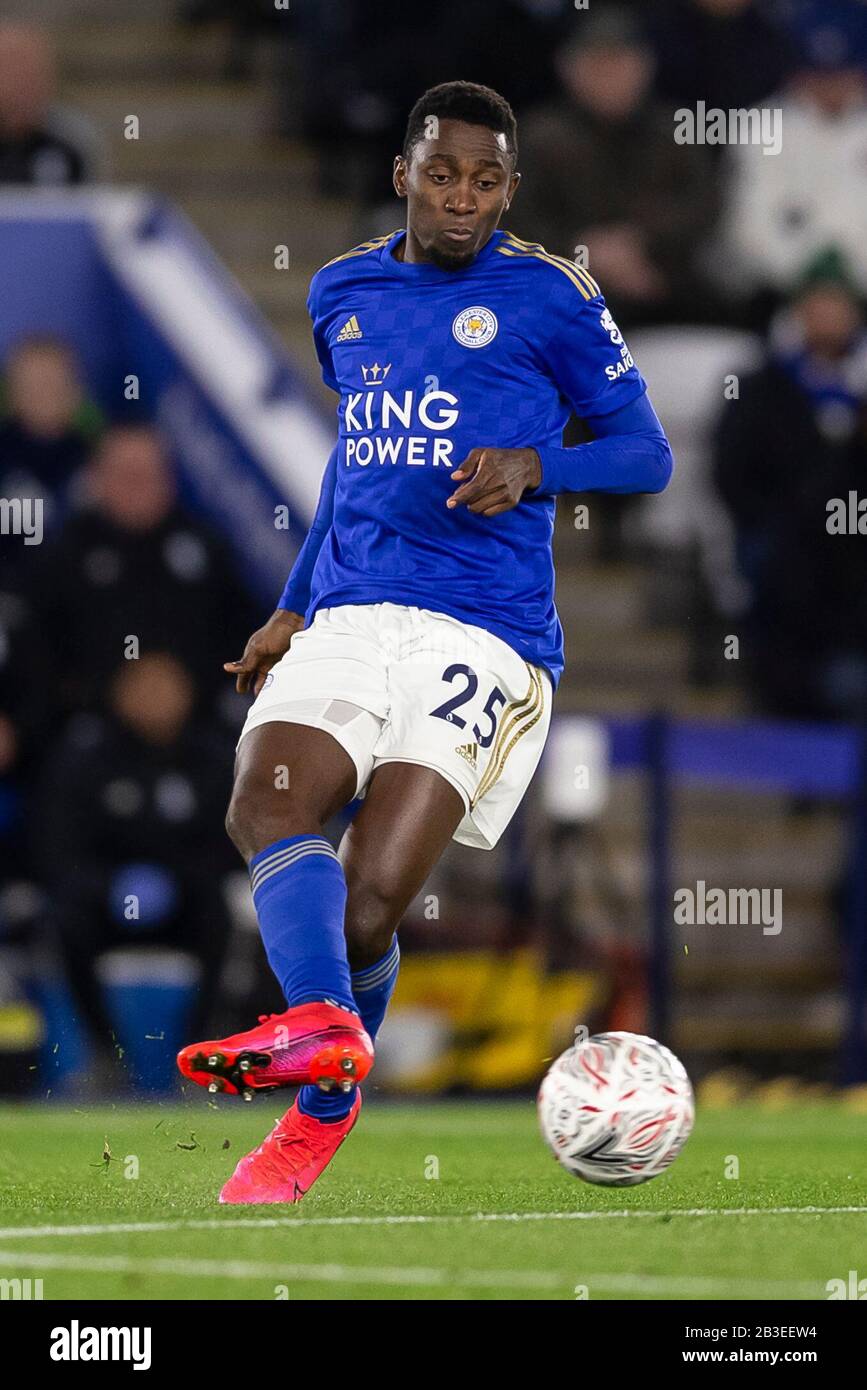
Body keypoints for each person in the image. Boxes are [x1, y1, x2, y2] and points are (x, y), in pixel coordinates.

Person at [176, 80, 673, 1204]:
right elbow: (354, 466)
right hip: (352, 609)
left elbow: (648, 453)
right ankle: (320, 1072)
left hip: (487, 634)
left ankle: (322, 1051)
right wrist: (296, 607)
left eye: (487, 181)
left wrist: (541, 466)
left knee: (366, 906)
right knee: (267, 797)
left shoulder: (549, 297)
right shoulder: (342, 290)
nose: (463, 200)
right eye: (443, 175)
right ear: (404, 173)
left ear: (510, 188)